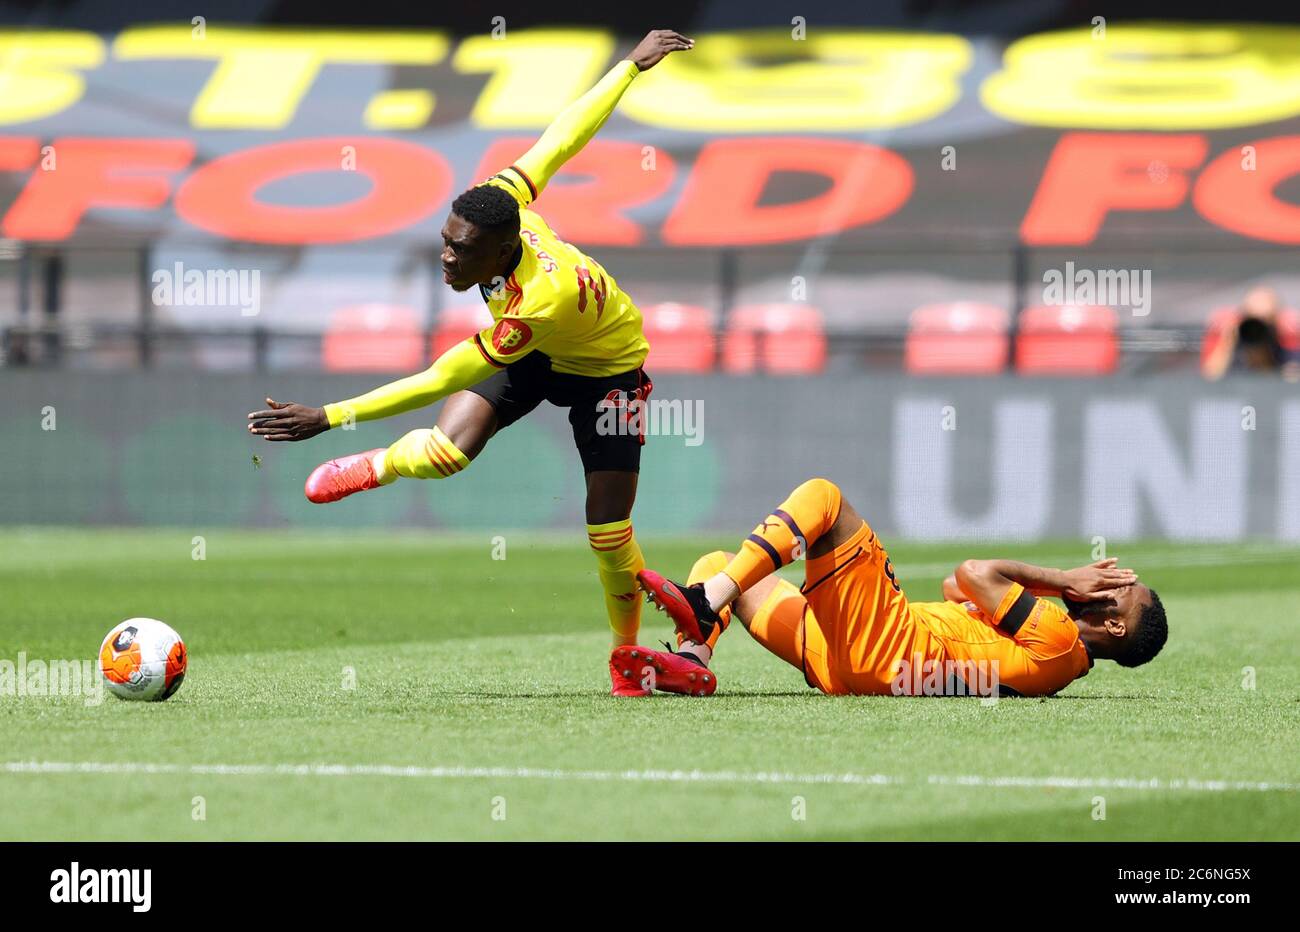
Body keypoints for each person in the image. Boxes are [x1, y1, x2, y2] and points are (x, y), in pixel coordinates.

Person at [246, 30, 695, 695]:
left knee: (607, 530)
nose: (448, 259)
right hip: (544, 355)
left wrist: (332, 414)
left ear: (505, 247)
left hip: (608, 374)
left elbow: (441, 377)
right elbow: (564, 137)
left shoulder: (538, 302)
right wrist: (628, 68)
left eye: (463, 252)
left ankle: (626, 655)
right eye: (445, 242)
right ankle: (378, 465)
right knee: (449, 453)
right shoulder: (501, 204)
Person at [621, 477, 1167, 698]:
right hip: (847, 662)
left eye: (1118, 589)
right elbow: (955, 587)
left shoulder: (1059, 637)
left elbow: (974, 572)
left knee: (825, 498)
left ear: (1114, 624)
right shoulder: (1053, 656)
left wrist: (1062, 579)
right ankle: (692, 658)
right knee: (723, 563)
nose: (1104, 578)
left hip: (884, 643)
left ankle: (703, 602)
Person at [1202, 286, 1300, 381]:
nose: (1257, 329)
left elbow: (1288, 380)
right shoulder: (1234, 342)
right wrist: (1227, 342)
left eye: (1265, 320)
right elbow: (1211, 376)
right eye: (1253, 320)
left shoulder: (1287, 344)